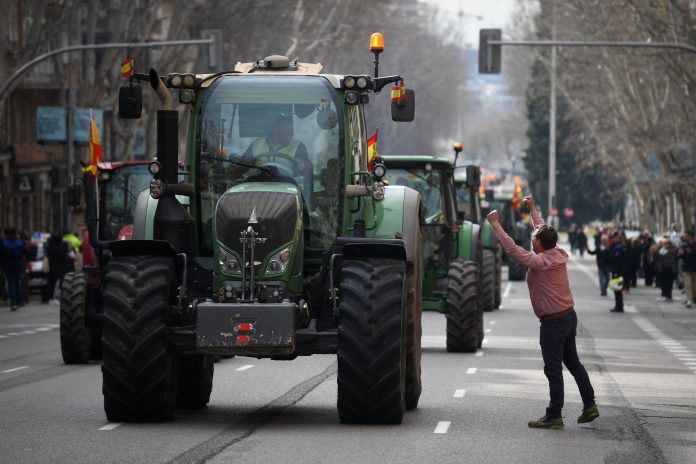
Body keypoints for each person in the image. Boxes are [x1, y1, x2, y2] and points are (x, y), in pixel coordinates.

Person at [487, 195, 598, 430]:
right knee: (574, 363)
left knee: (553, 369)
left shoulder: (539, 261)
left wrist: (496, 225)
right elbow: (541, 228)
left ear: (538, 244)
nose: (532, 237)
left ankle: (554, 415)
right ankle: (589, 404)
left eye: (534, 238)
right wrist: (533, 208)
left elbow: (513, 249)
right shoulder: (556, 252)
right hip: (568, 316)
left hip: (553, 323)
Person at [241, 112, 311, 178]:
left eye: (292, 130)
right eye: (286, 130)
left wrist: (303, 165)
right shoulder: (257, 144)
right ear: (275, 129)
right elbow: (242, 165)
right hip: (259, 185)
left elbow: (308, 170)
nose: (291, 133)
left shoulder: (298, 146)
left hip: (287, 186)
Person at [1, 228, 28, 311]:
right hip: (18, 265)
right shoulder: (19, 243)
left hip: (8, 266)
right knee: (17, 283)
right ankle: (18, 301)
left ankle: (13, 302)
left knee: (10, 283)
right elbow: (26, 252)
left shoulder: (4, 243)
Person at [607, 231, 627, 312]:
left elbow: (618, 261)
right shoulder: (615, 246)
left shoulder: (618, 247)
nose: (612, 239)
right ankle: (618, 305)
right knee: (616, 289)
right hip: (616, 271)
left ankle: (619, 306)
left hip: (617, 272)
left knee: (617, 290)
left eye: (614, 238)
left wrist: (615, 271)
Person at [655, 237, 677, 303]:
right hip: (662, 269)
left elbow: (669, 260)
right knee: (663, 283)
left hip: (669, 269)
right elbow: (658, 258)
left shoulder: (672, 251)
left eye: (666, 244)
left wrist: (661, 258)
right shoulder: (662, 250)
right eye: (664, 244)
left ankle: (669, 296)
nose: (665, 245)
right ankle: (665, 295)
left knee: (669, 284)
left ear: (669, 244)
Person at [677, 230, 695, 308]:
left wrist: (691, 252)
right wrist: (680, 254)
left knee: (694, 286)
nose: (684, 237)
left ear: (690, 236)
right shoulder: (684, 245)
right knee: (688, 285)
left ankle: (692, 299)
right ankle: (689, 300)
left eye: (685, 235)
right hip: (686, 268)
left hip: (695, 268)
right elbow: (680, 257)